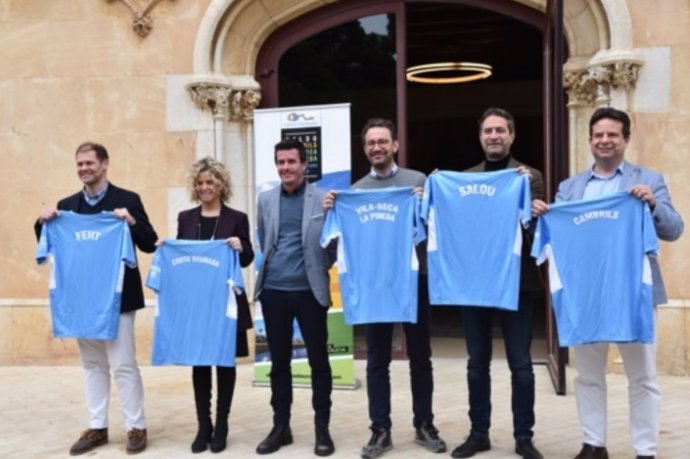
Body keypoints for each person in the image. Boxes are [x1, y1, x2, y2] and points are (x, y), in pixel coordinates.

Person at [531, 107, 684, 459]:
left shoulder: (649, 178)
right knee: (587, 375)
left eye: (612, 134)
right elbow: (557, 233)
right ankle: (593, 444)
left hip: (633, 293)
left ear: (626, 139)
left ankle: (645, 450)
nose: (604, 140)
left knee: (642, 376)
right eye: (598, 135)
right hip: (585, 295)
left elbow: (674, 229)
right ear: (589, 141)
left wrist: (653, 203)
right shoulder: (570, 188)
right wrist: (543, 214)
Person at [325, 118, 447, 459]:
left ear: (395, 145)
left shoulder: (417, 181)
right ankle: (380, 430)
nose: (376, 147)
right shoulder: (356, 191)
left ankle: (424, 424)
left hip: (413, 280)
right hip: (375, 282)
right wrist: (334, 209)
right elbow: (340, 242)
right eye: (370, 143)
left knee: (420, 356)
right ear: (365, 149)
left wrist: (428, 203)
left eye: (382, 141)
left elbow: (436, 228)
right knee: (377, 359)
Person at [34, 142, 157, 455]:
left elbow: (149, 243)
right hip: (82, 300)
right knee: (92, 365)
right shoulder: (67, 206)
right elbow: (52, 244)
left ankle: (136, 427)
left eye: (89, 163)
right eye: (79, 164)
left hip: (119, 299)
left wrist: (130, 221)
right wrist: (42, 221)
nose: (84, 169)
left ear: (105, 164)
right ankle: (97, 427)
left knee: (124, 365)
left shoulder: (127, 200)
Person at [451, 108, 544, 459]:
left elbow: (532, 229)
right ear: (480, 137)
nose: (494, 136)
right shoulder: (464, 179)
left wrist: (530, 202)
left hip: (517, 284)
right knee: (477, 364)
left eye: (500, 130)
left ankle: (523, 436)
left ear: (511, 136)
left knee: (520, 364)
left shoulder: (528, 176)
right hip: (475, 283)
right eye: (488, 130)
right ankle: (479, 433)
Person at [254, 139, 336, 457]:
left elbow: (332, 241)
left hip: (310, 291)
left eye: (291, 162)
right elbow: (265, 238)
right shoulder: (265, 200)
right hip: (274, 291)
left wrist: (318, 267)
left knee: (318, 361)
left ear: (304, 165)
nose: (285, 167)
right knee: (279, 364)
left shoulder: (323, 199)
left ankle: (322, 429)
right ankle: (280, 427)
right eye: (281, 162)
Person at [176, 157, 254, 453]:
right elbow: (182, 259)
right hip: (197, 304)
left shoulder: (237, 218)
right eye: (200, 183)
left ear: (221, 184)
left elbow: (246, 258)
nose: (205, 187)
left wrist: (240, 246)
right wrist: (165, 250)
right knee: (200, 364)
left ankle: (222, 424)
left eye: (210, 182)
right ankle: (203, 425)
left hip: (226, 306)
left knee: (224, 364)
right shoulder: (186, 218)